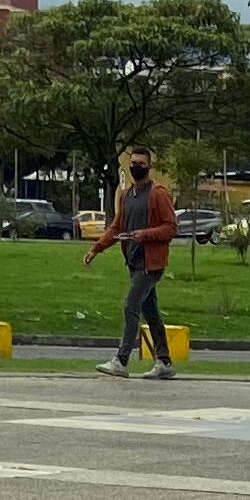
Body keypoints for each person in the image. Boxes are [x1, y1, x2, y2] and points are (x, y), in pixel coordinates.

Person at [88, 148, 176, 377]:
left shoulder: (158, 194)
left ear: (149, 166)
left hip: (151, 264)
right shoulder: (126, 195)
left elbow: (171, 227)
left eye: (141, 163)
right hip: (134, 261)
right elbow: (117, 228)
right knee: (151, 312)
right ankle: (164, 362)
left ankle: (121, 359)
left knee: (131, 306)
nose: (136, 166)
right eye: (133, 162)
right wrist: (97, 248)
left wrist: (144, 235)